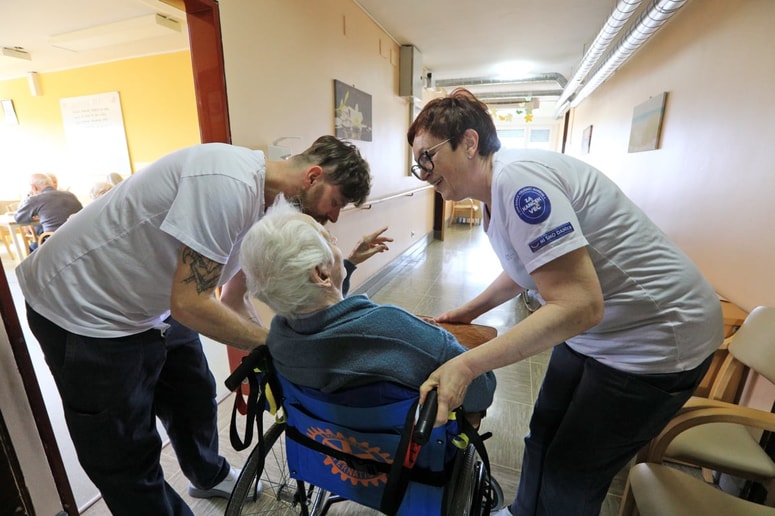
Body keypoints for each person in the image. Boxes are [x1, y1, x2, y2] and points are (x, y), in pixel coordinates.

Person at [16, 136, 373, 516]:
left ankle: (207, 475)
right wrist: (276, 345)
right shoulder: (225, 183)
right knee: (125, 451)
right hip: (84, 308)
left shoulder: (270, 209)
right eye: (336, 203)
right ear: (313, 176)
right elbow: (190, 303)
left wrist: (273, 345)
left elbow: (233, 299)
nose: (334, 216)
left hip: (155, 303)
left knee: (194, 393)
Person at [407, 88, 724, 516]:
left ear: (469, 142)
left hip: (656, 338)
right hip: (597, 332)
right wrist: (470, 312)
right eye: (417, 163)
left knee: (573, 469)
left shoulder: (520, 182)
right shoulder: (494, 191)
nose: (423, 172)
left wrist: (467, 363)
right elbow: (529, 266)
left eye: (428, 156)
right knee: (543, 434)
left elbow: (578, 305)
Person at [240, 196, 496, 423]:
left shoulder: (279, 342)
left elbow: (326, 318)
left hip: (327, 451)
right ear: (320, 272)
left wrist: (347, 264)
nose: (336, 241)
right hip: (403, 460)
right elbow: (481, 390)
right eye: (330, 239)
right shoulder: (394, 328)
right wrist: (436, 340)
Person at [14, 172, 83, 250]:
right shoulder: (71, 195)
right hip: (78, 239)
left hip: (55, 242)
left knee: (32, 248)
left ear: (34, 187)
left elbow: (19, 218)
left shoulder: (36, 199)